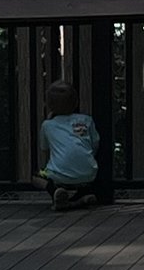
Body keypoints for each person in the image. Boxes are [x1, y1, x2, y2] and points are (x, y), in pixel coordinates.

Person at [37, 82, 104, 213]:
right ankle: (82, 195)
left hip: (60, 175)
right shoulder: (86, 120)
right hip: (89, 172)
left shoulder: (47, 125)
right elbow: (95, 143)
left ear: (49, 105)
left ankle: (56, 192)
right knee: (84, 174)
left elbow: (44, 148)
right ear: (75, 102)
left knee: (36, 176)